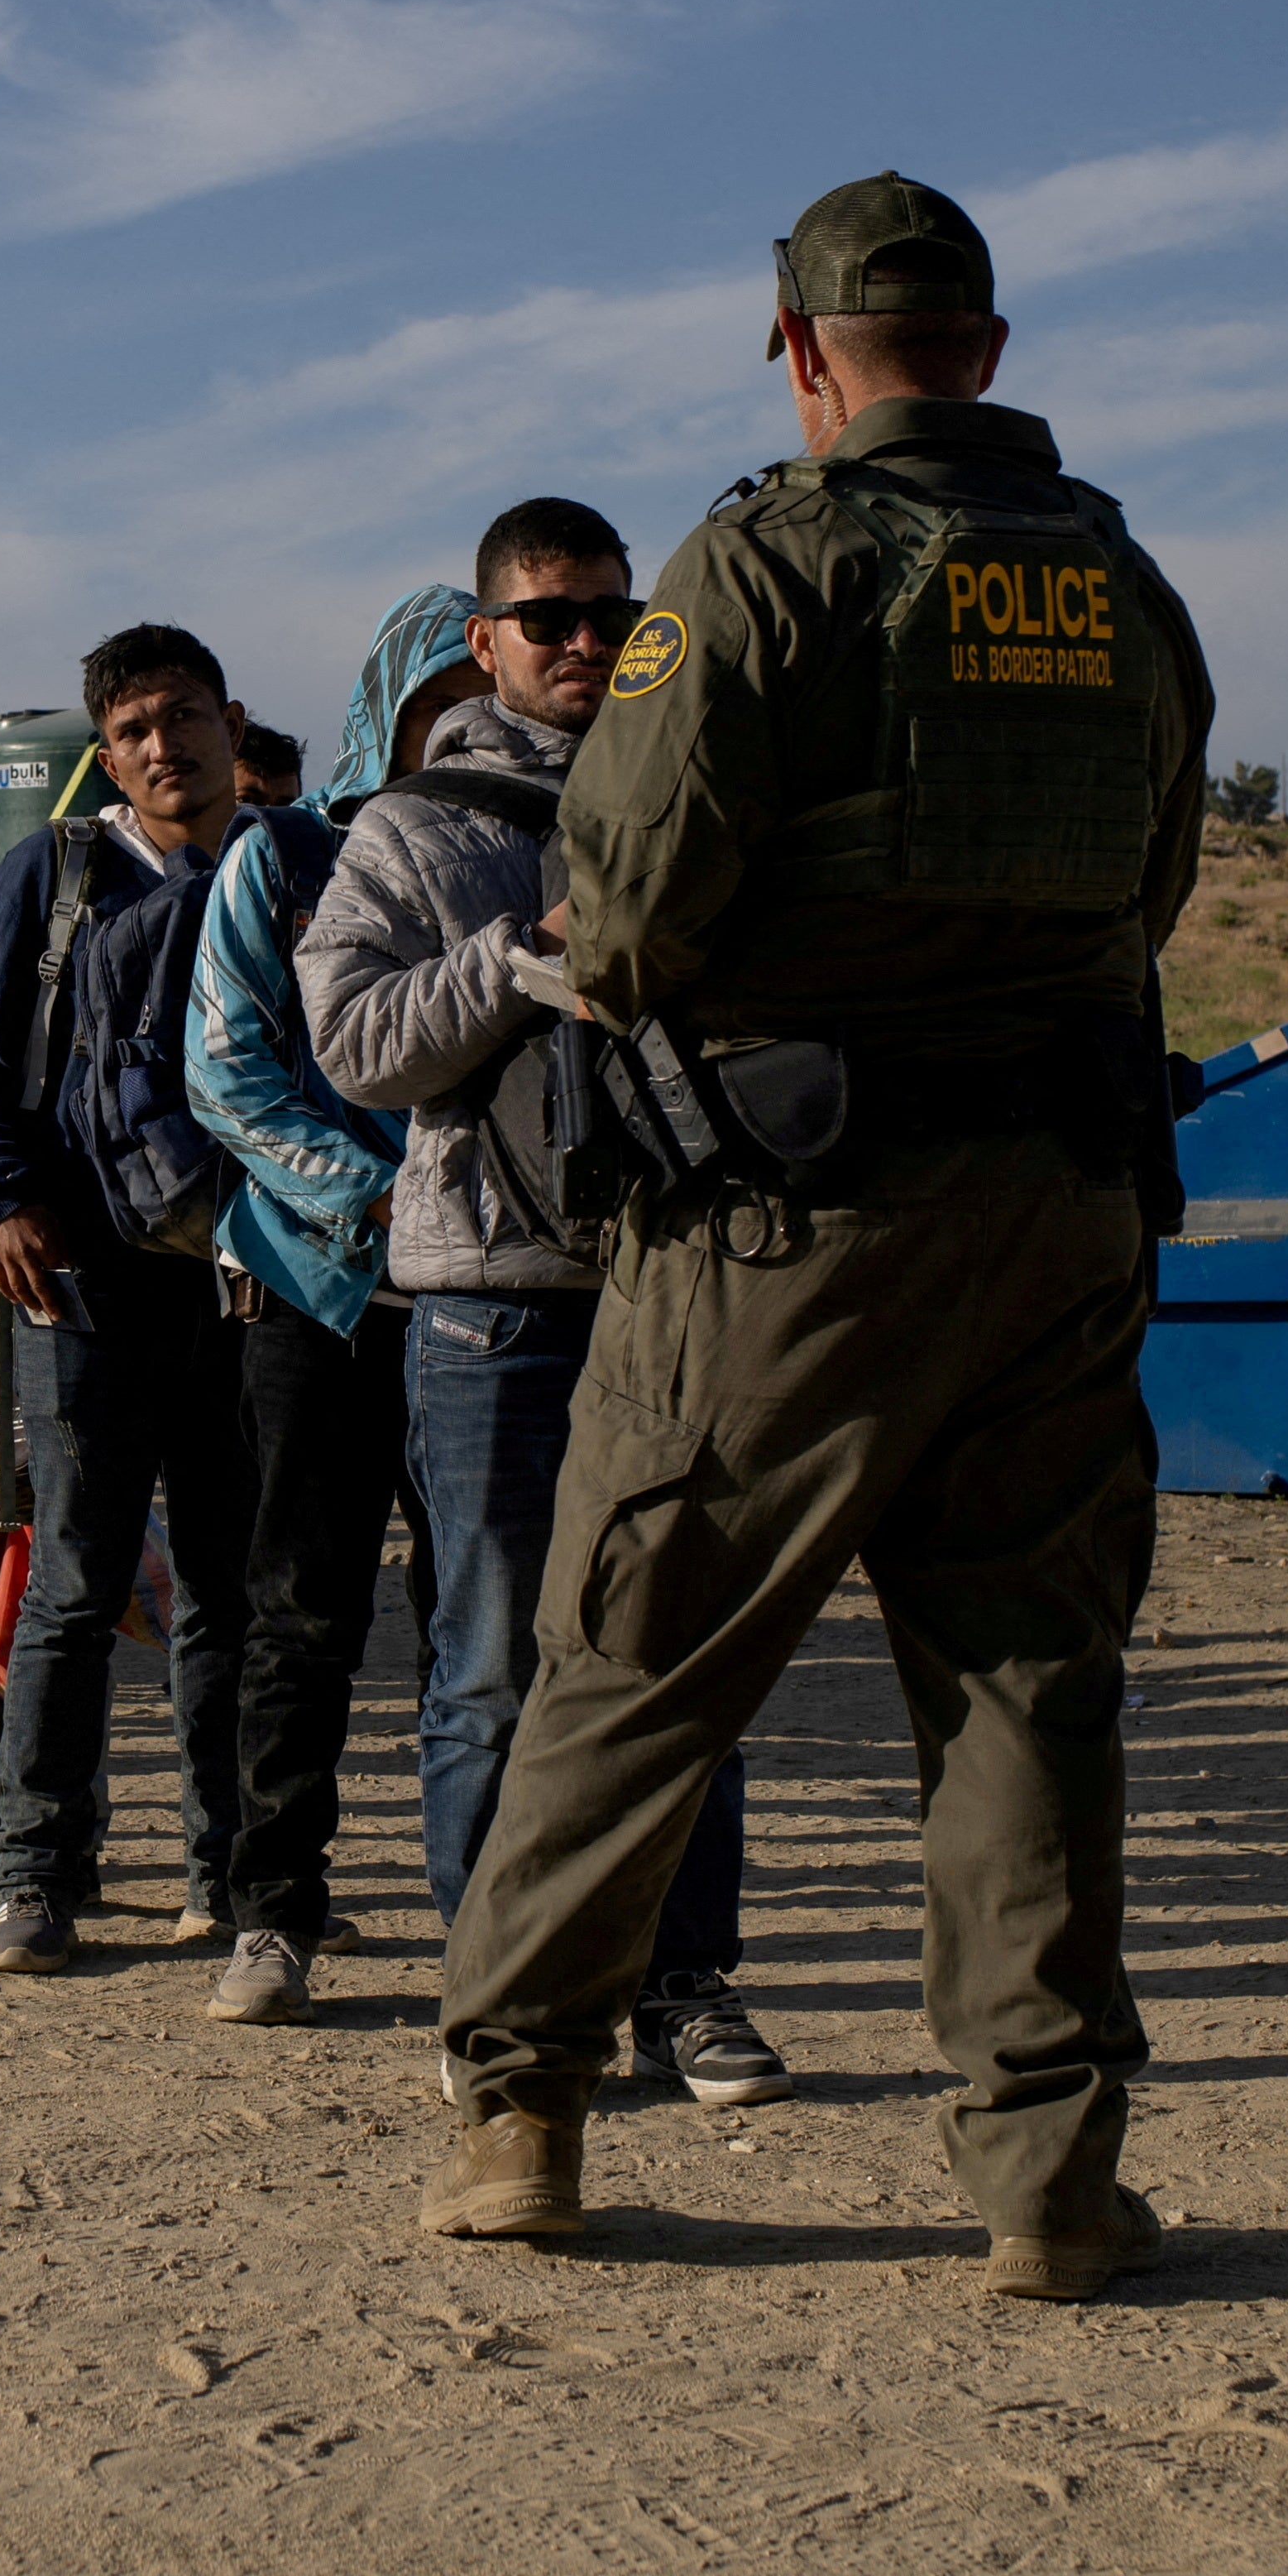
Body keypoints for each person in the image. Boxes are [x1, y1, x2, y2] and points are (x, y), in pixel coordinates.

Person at [416, 174, 1213, 2299]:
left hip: (787, 1232)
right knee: (1031, 1679)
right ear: (988, 346)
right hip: (1055, 1216)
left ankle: (524, 2112)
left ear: (799, 351)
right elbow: (1146, 893)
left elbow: (646, 903)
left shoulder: (756, 568)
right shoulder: (1122, 584)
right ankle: (1049, 2176)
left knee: (635, 1649)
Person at [307, 515, 794, 2108]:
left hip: (677, 1288)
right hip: (492, 1310)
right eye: (546, 621)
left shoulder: (705, 791)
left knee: (680, 1654)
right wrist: (517, 956)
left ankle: (684, 1984)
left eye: (607, 617)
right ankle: (501, 2001)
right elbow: (355, 1044)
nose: (580, 645)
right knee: (492, 1667)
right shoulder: (411, 825)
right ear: (485, 641)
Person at [0, 624, 266, 1977]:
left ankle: (227, 1877)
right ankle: (38, 1877)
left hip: (252, 1282)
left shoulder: (284, 863)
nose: (160, 743)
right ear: (104, 752)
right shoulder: (53, 872)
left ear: (230, 721)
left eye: (181, 714)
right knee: (71, 1590)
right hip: (84, 1284)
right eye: (130, 728)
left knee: (232, 1593)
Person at [177, 670, 416, 2022]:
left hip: (481, 1298)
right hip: (316, 1294)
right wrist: (368, 1191)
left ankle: (495, 1921)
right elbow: (226, 1072)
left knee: (478, 1630)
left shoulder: (527, 841)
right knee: (300, 1615)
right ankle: (271, 1913)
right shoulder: (288, 855)